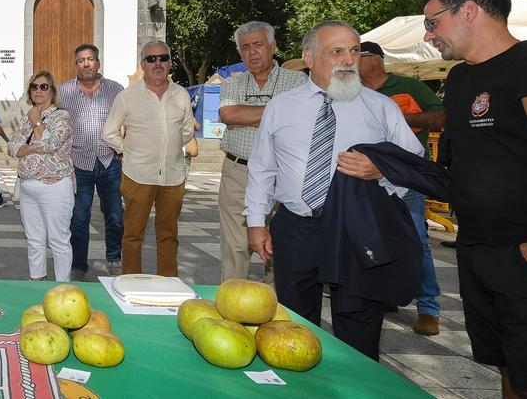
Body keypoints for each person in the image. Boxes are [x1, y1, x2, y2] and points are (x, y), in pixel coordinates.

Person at [423, 0, 527, 396]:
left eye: (433, 23)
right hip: (477, 251)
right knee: (507, 367)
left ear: (468, 10)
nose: (428, 35)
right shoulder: (457, 80)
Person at [245, 20, 422, 360]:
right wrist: (256, 222)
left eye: (354, 50)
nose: (348, 59)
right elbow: (263, 168)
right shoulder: (281, 107)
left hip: (358, 230)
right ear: (309, 57)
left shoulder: (381, 108)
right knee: (294, 324)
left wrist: (380, 170)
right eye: (336, 51)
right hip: (297, 228)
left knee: (358, 326)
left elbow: (413, 165)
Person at [358, 40, 445, 336]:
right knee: (374, 238)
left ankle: (428, 307)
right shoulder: (350, 90)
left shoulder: (408, 86)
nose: (351, 59)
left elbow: (440, 117)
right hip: (366, 178)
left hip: (405, 177)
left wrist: (396, 117)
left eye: (358, 53)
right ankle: (388, 294)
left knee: (416, 239)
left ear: (376, 59)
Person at [216, 22, 306, 283]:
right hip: (238, 171)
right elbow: (229, 114)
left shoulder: (298, 81)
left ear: (273, 46)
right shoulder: (233, 83)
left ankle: (277, 307)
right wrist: (278, 112)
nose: (252, 52)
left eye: (258, 45)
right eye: (245, 47)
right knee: (234, 247)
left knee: (278, 244)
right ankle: (232, 304)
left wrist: (248, 115)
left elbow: (300, 118)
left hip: (284, 173)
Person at [103, 41, 194, 277]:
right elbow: (109, 132)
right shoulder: (127, 97)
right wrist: (126, 150)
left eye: (163, 58)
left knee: (169, 235)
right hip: (137, 176)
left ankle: (169, 283)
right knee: (133, 235)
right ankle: (131, 281)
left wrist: (171, 147)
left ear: (170, 63)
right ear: (143, 64)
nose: (158, 64)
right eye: (151, 59)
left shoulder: (181, 95)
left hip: (173, 176)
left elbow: (186, 131)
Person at [58, 44, 126, 280]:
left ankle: (114, 258)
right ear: (75, 65)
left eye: (90, 59)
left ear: (98, 62)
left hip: (110, 162)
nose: (86, 63)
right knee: (78, 217)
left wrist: (124, 146)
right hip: (79, 163)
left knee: (115, 215)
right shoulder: (63, 91)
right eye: (80, 60)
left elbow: (128, 120)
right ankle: (78, 264)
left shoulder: (116, 89)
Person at [8, 70, 75, 281]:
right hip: (29, 187)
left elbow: (50, 145)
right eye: (34, 86)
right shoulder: (27, 117)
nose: (38, 90)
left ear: (52, 91)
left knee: (58, 240)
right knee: (34, 240)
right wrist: (29, 147)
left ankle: (62, 288)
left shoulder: (61, 116)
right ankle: (36, 282)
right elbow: (12, 147)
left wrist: (37, 124)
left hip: (54, 186)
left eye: (44, 86)